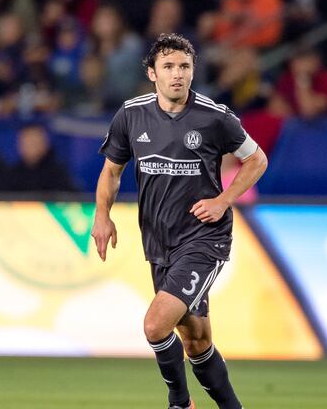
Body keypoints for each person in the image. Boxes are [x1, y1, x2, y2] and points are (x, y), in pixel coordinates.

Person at [92, 33, 267, 409]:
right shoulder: (131, 114)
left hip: (204, 239)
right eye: (168, 67)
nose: (177, 74)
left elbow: (257, 160)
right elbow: (111, 171)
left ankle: (179, 402)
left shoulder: (215, 116)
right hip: (158, 242)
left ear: (193, 71)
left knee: (155, 325)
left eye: (184, 66)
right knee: (197, 342)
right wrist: (101, 215)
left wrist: (223, 200)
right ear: (152, 73)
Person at [7, 124, 77, 192]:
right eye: (25, 143)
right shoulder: (12, 175)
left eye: (33, 143)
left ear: (44, 144)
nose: (30, 147)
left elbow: (72, 197)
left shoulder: (57, 174)